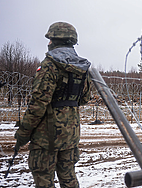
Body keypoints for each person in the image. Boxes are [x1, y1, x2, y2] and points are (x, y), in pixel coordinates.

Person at [14, 22, 91, 187]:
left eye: (50, 39)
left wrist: (24, 132)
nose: (48, 43)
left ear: (56, 41)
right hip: (71, 134)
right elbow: (84, 99)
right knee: (69, 178)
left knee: (43, 179)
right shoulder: (82, 67)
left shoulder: (49, 65)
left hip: (46, 137)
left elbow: (37, 105)